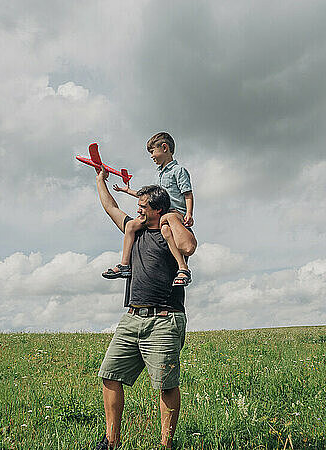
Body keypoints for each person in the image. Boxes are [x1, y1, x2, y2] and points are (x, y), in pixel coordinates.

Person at [94, 167, 197, 449]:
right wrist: (100, 181)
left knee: (165, 384)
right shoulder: (135, 230)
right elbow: (110, 207)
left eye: (143, 207)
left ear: (158, 210)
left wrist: (172, 217)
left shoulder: (170, 233)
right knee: (109, 375)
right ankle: (111, 442)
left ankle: (166, 444)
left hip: (165, 318)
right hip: (131, 317)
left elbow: (189, 246)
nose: (137, 210)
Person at [102, 132, 195, 287]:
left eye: (152, 151)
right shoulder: (158, 174)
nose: (151, 156)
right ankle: (124, 265)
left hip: (174, 213)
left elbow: (188, 193)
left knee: (166, 229)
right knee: (131, 226)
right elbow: (149, 197)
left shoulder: (178, 171)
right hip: (159, 213)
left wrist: (189, 213)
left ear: (164, 148)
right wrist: (127, 191)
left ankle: (183, 268)